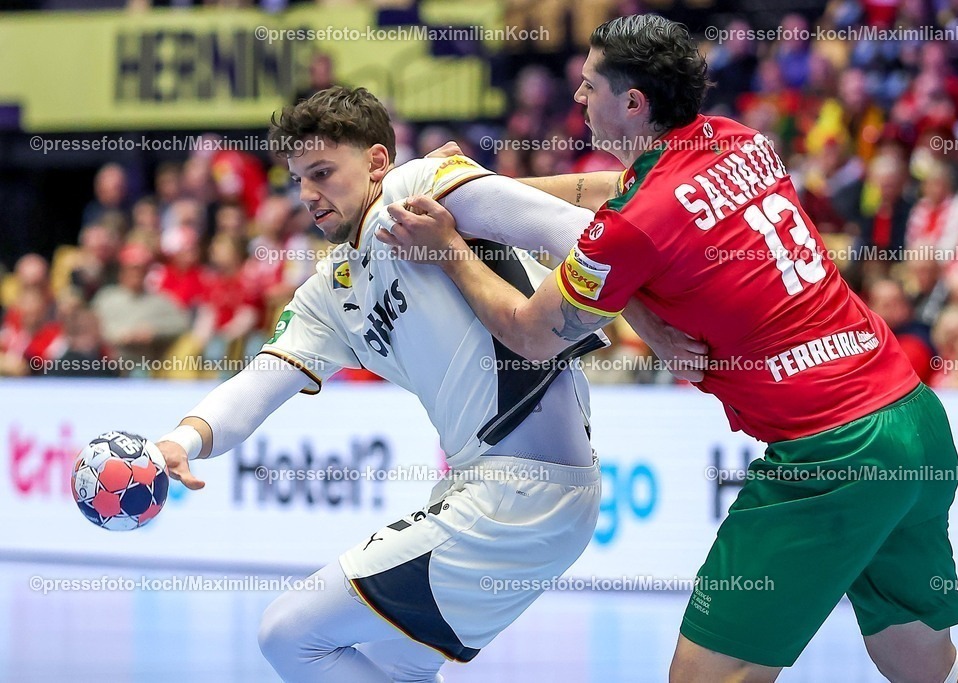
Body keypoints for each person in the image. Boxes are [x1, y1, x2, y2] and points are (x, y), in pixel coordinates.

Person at [378, 14, 958, 683]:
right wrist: (476, 189)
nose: (580, 100)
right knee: (926, 666)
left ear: (633, 102)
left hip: (832, 451)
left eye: (591, 86)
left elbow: (532, 331)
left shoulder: (636, 223)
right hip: (913, 420)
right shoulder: (740, 142)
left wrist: (446, 249)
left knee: (704, 677)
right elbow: (621, 198)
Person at [153, 85, 699, 683]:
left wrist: (660, 330)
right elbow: (262, 381)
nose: (307, 195)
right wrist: (182, 439)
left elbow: (576, 231)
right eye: (298, 179)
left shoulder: (422, 187)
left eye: (323, 172)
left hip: (525, 495)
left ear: (378, 163)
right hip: (488, 492)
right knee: (393, 665)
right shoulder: (327, 293)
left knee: (288, 635)